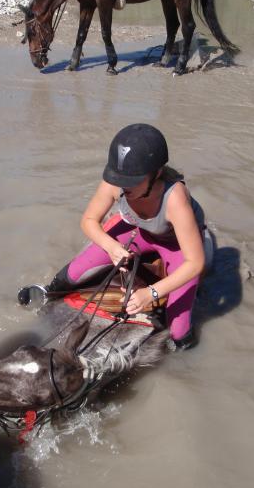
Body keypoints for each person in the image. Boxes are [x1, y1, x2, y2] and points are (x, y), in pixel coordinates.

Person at [42, 123, 206, 350]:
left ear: (156, 174)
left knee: (179, 332)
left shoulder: (174, 199)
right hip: (138, 231)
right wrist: (110, 247)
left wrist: (151, 293)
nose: (122, 186)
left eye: (132, 181)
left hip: (174, 244)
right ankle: (45, 295)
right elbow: (88, 221)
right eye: (119, 178)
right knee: (72, 274)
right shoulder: (114, 183)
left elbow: (195, 263)